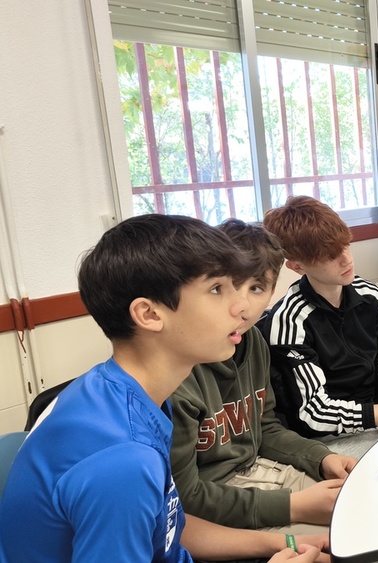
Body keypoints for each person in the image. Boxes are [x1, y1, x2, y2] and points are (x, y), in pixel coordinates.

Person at [0, 214, 324, 563]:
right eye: (217, 289)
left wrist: (280, 545)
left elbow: (169, 527)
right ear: (150, 315)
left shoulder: (128, 394)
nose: (242, 306)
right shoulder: (122, 458)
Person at [170, 219, 357, 538]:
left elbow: (264, 426)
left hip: (260, 471)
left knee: (367, 507)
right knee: (346, 539)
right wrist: (293, 506)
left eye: (257, 288)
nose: (241, 305)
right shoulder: (178, 370)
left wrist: (321, 458)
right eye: (226, 287)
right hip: (216, 508)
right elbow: (186, 499)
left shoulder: (253, 341)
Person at [258, 196, 378, 457]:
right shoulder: (290, 320)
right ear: (297, 266)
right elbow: (314, 414)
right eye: (329, 255)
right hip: (323, 441)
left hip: (373, 423)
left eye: (345, 245)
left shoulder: (370, 295)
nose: (346, 259)